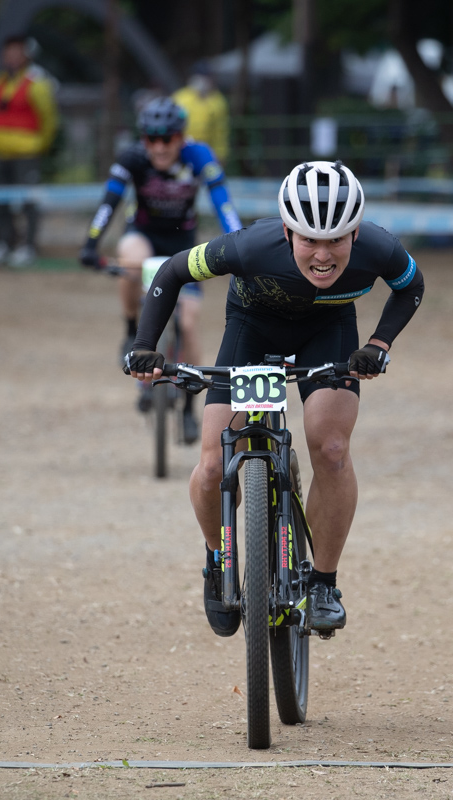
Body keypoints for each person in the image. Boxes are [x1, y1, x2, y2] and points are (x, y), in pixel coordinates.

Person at [123, 161, 424, 636]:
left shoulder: (380, 248)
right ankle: (217, 557)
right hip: (253, 328)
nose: (323, 255)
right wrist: (144, 346)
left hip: (329, 331)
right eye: (309, 240)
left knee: (332, 449)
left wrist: (378, 345)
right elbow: (172, 271)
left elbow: (411, 288)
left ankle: (323, 583)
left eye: (337, 240)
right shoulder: (249, 247)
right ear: (286, 231)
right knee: (213, 467)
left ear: (356, 233)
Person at [79, 96, 242, 442]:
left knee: (188, 321)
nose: (158, 147)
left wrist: (239, 243)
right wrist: (91, 242)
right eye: (151, 138)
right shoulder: (133, 157)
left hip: (183, 243)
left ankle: (187, 409)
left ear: (181, 137)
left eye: (166, 138)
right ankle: (129, 328)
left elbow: (222, 202)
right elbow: (109, 202)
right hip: (144, 236)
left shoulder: (198, 155)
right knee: (129, 259)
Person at [0, 35, 58, 268]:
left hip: (27, 152)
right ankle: (3, 244)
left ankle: (28, 246)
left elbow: (48, 118)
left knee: (29, 201)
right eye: (8, 52)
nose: (12, 57)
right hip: (0, 151)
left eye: (17, 51)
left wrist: (40, 145)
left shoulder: (37, 82)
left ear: (27, 54)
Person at [171, 62, 230, 161]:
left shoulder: (218, 100)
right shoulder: (180, 97)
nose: (203, 81)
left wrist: (221, 155)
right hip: (181, 149)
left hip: (208, 152)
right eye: (200, 77)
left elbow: (221, 132)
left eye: (207, 77)